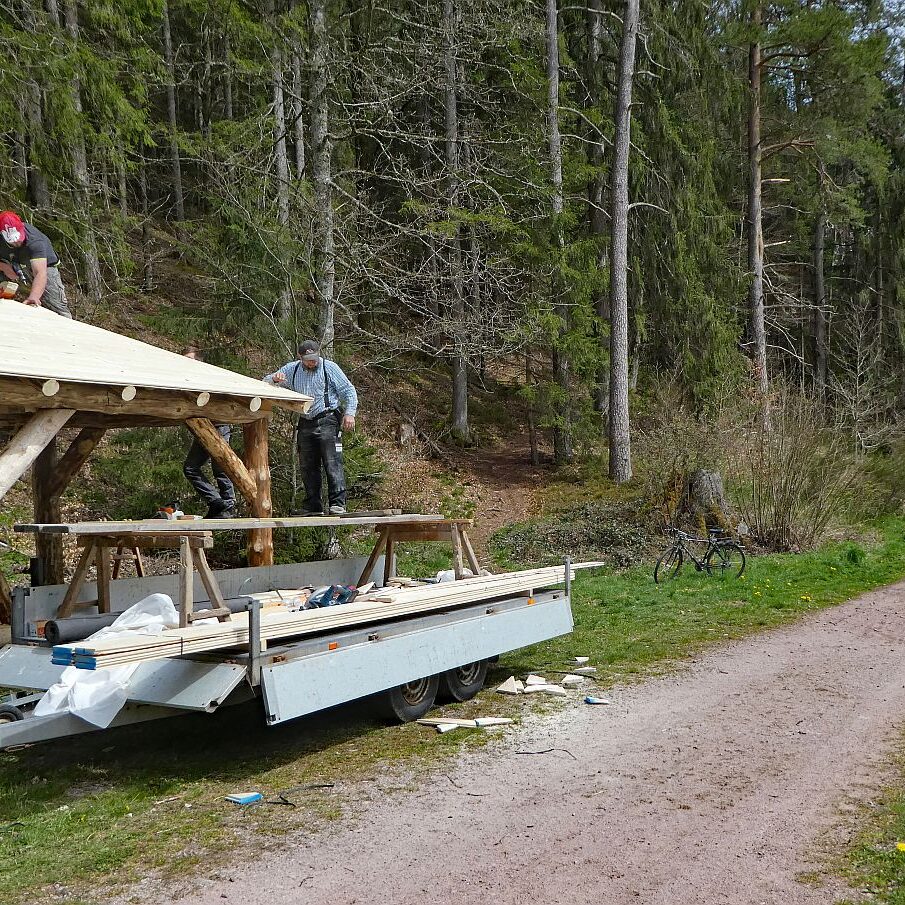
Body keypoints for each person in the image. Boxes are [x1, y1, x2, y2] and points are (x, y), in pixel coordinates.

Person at [264, 340, 358, 515]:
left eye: (314, 358)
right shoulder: (292, 369)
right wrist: (275, 379)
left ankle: (338, 503)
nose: (312, 362)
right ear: (300, 357)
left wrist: (350, 412)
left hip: (328, 418)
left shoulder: (329, 368)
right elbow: (266, 381)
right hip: (305, 421)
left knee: (332, 462)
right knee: (307, 465)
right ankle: (313, 505)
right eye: (308, 359)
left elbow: (348, 390)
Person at [182, 346, 236, 518]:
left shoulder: (211, 376)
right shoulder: (184, 378)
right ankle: (217, 502)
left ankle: (227, 505)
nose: (186, 363)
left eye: (189, 359)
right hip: (202, 427)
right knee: (191, 468)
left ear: (200, 361)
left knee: (220, 467)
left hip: (219, 425)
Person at [0, 211, 72, 318]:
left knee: (55, 303)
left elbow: (40, 272)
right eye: (12, 241)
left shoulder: (35, 241)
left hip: (44, 264)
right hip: (15, 260)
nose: (17, 243)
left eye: (18, 239)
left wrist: (34, 297)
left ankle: (66, 324)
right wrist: (3, 267)